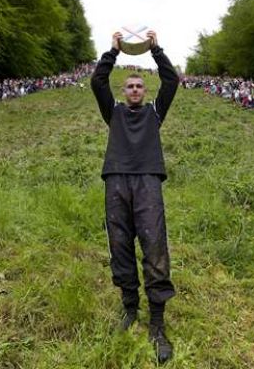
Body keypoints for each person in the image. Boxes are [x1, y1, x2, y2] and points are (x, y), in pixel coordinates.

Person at [91, 30, 179, 364]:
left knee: (154, 243)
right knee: (120, 244)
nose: (135, 90)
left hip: (147, 181)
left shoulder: (155, 112)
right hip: (116, 180)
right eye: (129, 86)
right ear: (122, 91)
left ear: (145, 90)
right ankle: (130, 309)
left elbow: (171, 80)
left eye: (139, 86)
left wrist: (155, 49)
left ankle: (157, 323)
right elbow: (97, 82)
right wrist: (112, 51)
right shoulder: (112, 112)